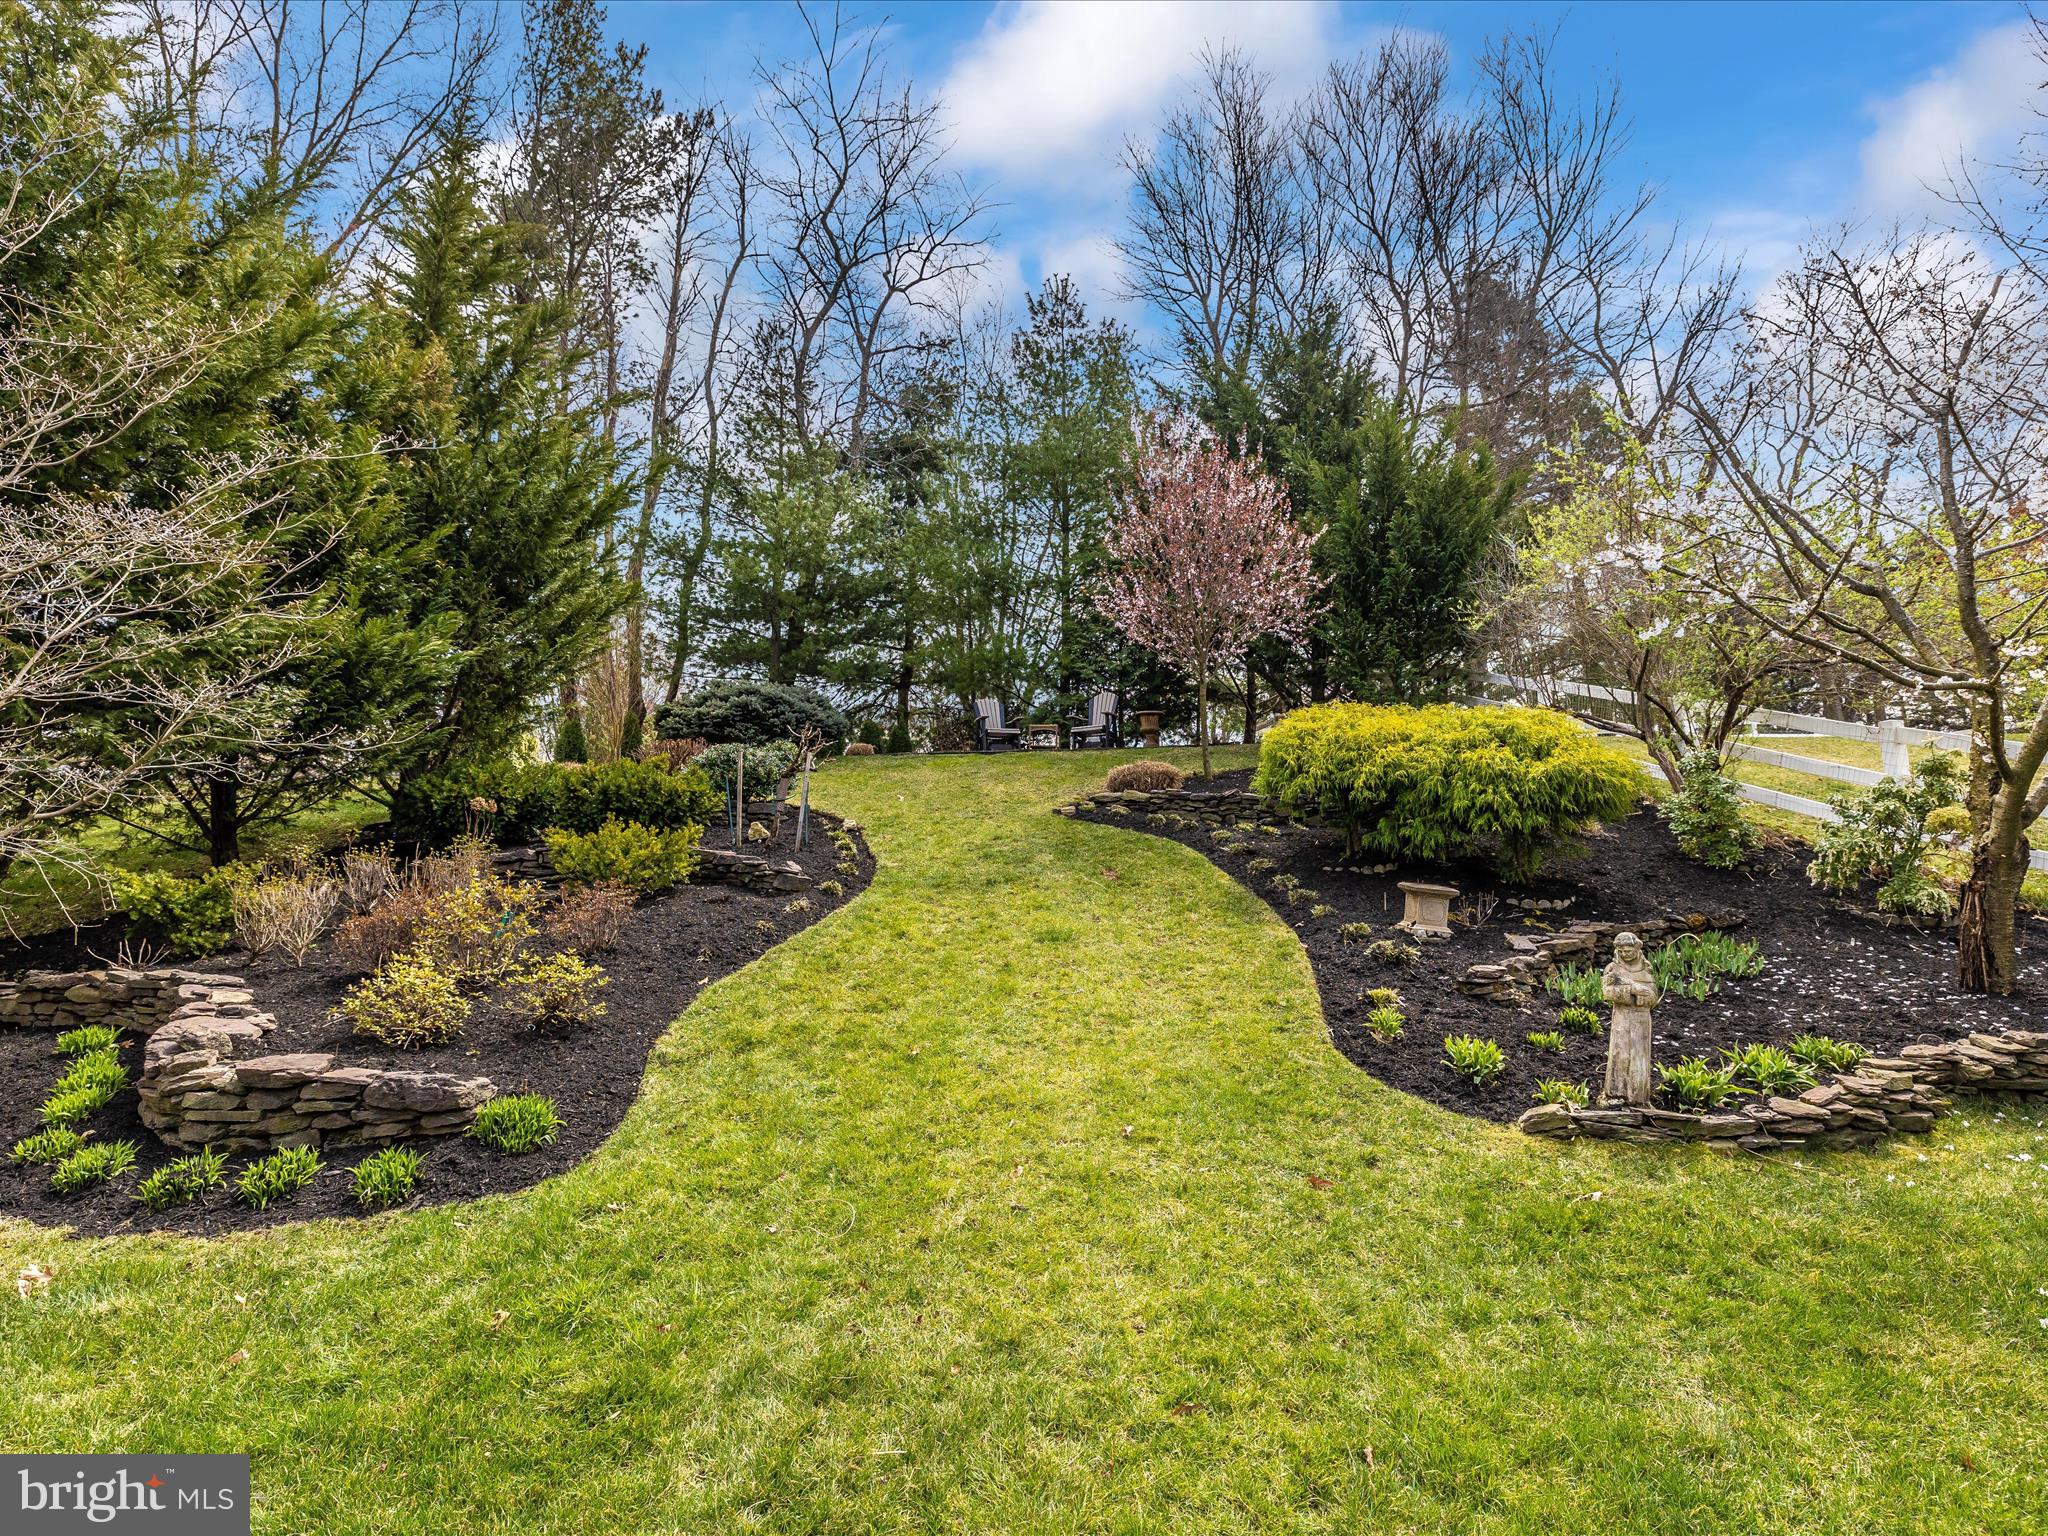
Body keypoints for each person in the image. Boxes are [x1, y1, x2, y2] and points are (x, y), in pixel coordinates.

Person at [1601, 932, 1660, 1105]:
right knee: (1620, 1054)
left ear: (1637, 948)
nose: (1625, 954)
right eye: (1621, 951)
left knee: (1639, 1056)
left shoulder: (1646, 968)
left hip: (1641, 1018)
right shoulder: (1613, 969)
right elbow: (1607, 992)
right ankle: (1616, 1094)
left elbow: (1653, 997)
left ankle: (1638, 1097)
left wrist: (1646, 995)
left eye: (1629, 950)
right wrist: (1631, 991)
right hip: (1621, 1016)